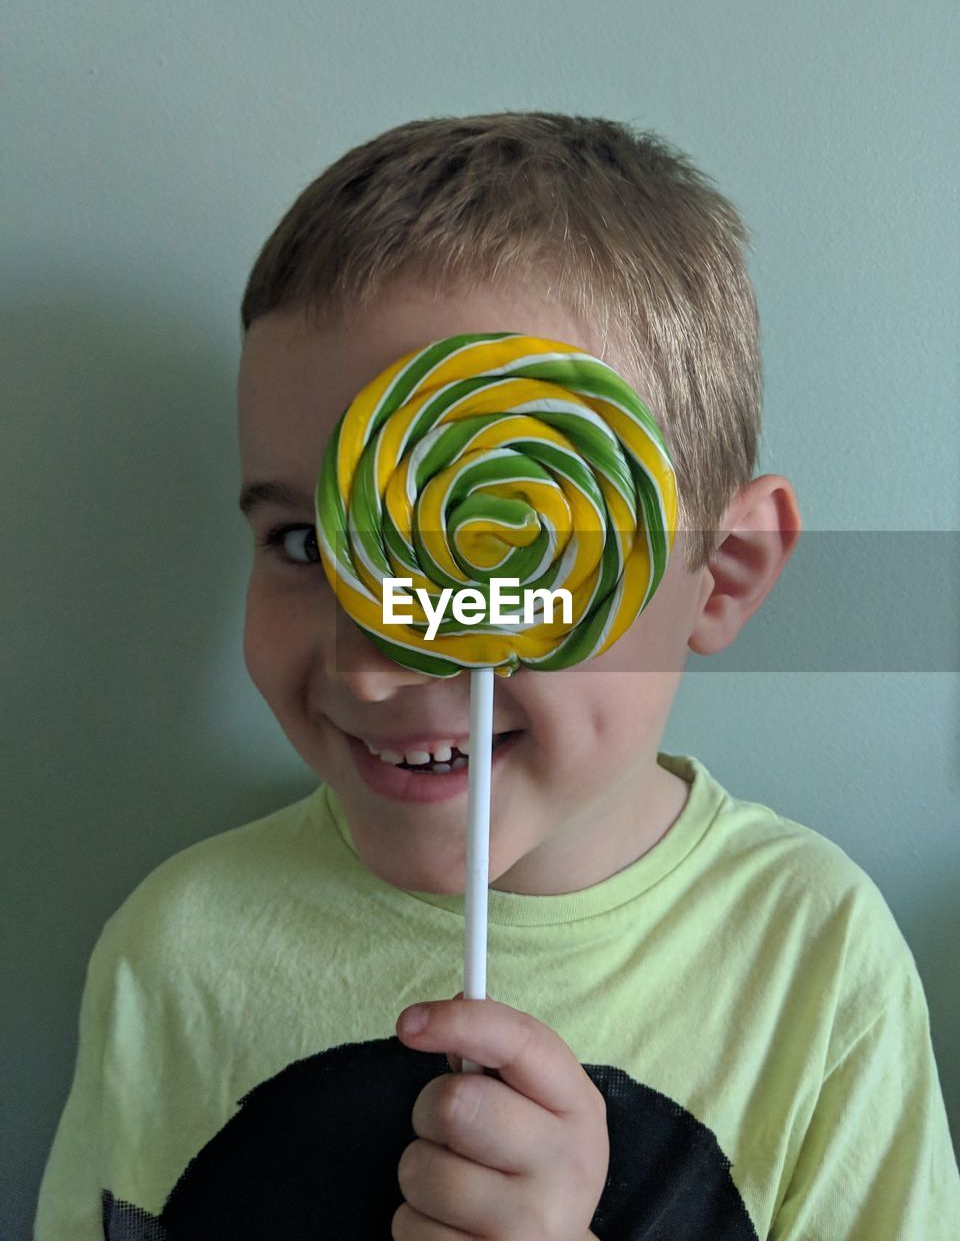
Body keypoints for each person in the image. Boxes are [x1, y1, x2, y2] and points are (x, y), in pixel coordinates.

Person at [35, 112, 960, 1240]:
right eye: (306, 546)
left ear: (721, 574)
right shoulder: (175, 950)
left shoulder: (815, 968)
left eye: (513, 541)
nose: (374, 666)